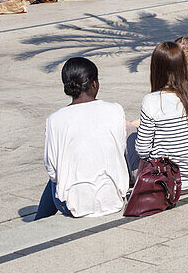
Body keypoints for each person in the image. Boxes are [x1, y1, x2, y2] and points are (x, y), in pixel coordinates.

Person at [35, 57, 129, 219]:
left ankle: (39, 220)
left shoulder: (55, 119)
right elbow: (120, 151)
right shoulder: (115, 110)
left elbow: (52, 170)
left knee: (56, 180)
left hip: (72, 205)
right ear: (94, 83)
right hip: (112, 198)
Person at [132, 40, 188, 192]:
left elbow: (142, 150)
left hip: (165, 182)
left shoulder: (151, 101)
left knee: (129, 136)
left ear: (156, 69)